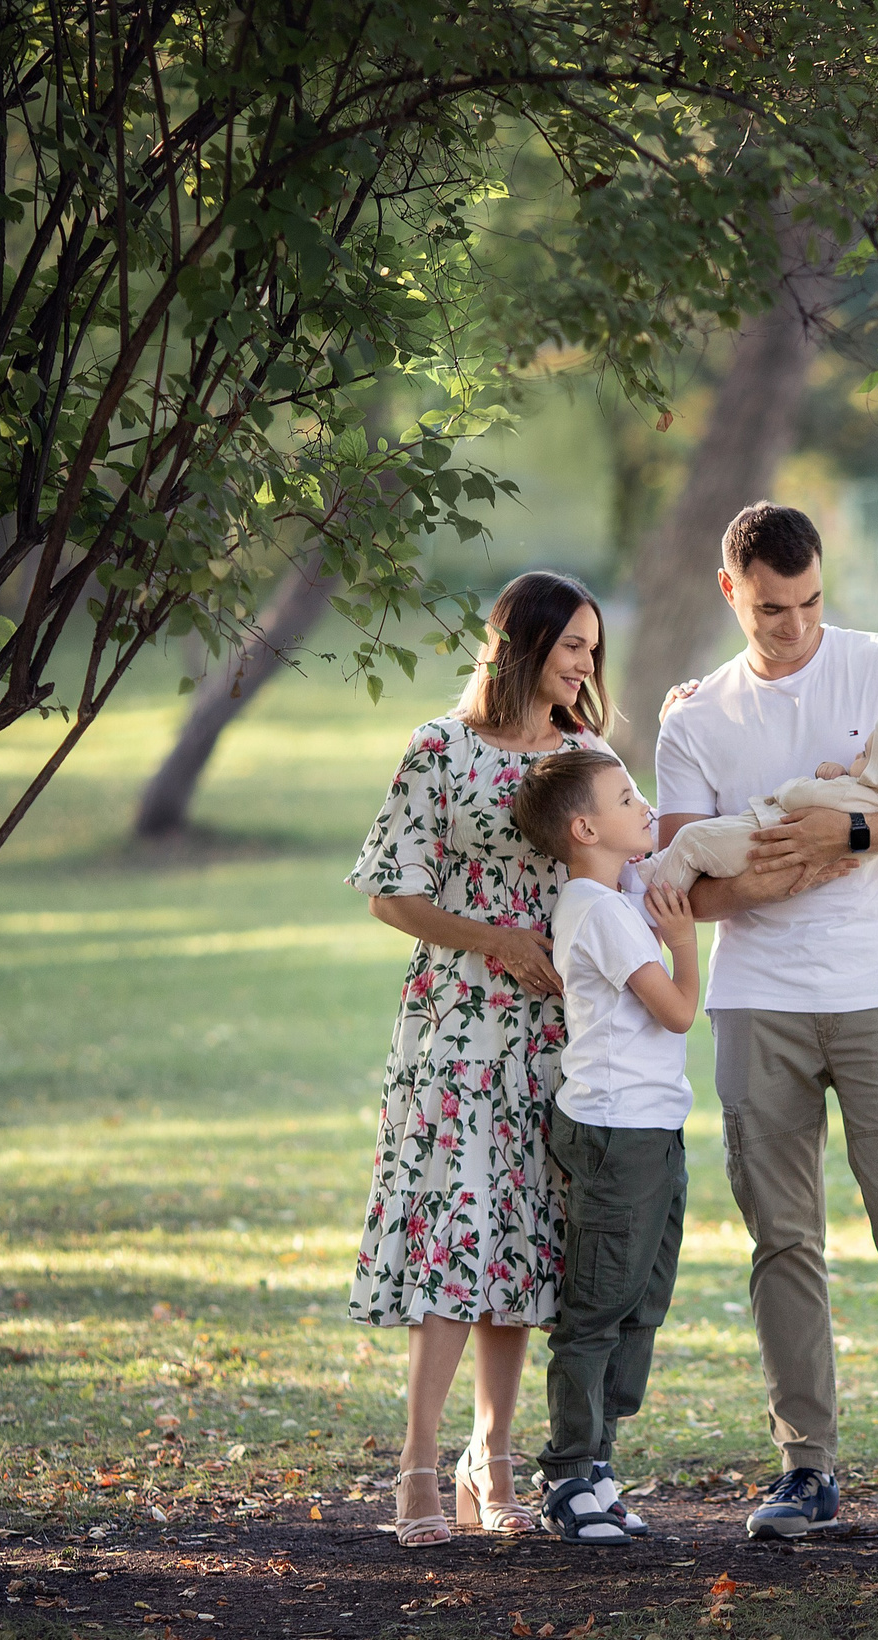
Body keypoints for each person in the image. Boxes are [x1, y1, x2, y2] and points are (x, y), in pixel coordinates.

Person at [655, 501, 878, 1553]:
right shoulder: (694, 719)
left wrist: (853, 825)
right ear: (732, 593)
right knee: (783, 1241)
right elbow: (683, 890)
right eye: (770, 611)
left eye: (808, 604)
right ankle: (805, 1468)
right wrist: (775, 869)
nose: (794, 627)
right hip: (760, 1003)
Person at [348, 571, 615, 1548]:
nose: (585, 663)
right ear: (519, 643)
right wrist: (493, 940)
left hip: (553, 1040)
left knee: (519, 1250)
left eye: (594, 647)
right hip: (457, 1030)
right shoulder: (438, 750)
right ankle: (416, 1467)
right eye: (571, 644)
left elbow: (628, 870)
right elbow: (390, 894)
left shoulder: (590, 757)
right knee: (457, 1240)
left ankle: (490, 1462)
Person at [510, 749, 698, 1545]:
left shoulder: (613, 891)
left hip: (652, 1125)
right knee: (600, 1303)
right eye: (628, 797)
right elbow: (680, 1011)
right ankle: (567, 1472)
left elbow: (658, 854)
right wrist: (686, 941)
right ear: (587, 828)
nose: (645, 803)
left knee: (641, 1299)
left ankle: (599, 1465)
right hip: (617, 1129)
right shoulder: (601, 913)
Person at [641, 716, 878, 891]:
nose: (857, 754)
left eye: (866, 754)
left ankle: (655, 904)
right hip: (768, 846)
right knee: (691, 851)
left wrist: (806, 783)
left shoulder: (850, 794)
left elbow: (798, 796)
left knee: (689, 841)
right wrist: (845, 774)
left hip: (759, 837)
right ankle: (644, 874)